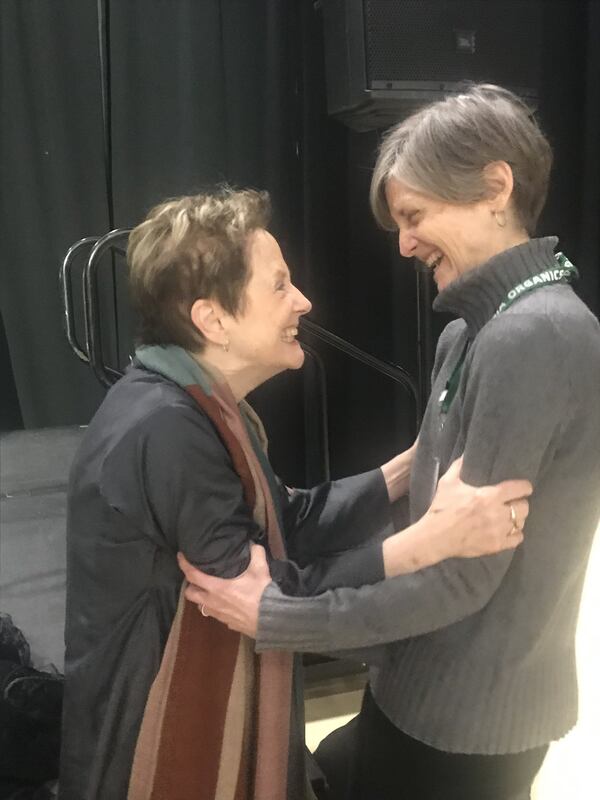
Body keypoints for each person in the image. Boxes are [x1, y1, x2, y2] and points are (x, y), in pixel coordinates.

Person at [181, 85, 600, 800]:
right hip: (418, 691)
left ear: (496, 187)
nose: (403, 242)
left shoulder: (532, 336)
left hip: (466, 723)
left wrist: (279, 617)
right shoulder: (468, 333)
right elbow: (433, 531)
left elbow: (464, 578)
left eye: (415, 216)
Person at [59, 187, 531, 800]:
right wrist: (424, 545)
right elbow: (255, 601)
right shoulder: (167, 427)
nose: (303, 301)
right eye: (279, 286)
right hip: (145, 745)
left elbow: (286, 521)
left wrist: (405, 468)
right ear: (213, 319)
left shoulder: (194, 402)